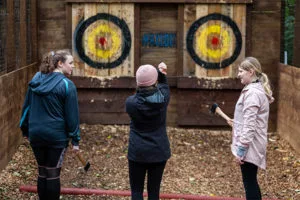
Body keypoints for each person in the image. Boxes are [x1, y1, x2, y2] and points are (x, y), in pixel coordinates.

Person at [19, 50, 80, 200]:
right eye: (70, 63)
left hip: (36, 134)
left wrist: (25, 130)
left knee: (42, 171)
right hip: (56, 136)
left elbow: (26, 107)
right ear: (60, 63)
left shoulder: (36, 80)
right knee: (52, 173)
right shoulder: (67, 84)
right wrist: (75, 140)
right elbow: (72, 116)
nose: (73, 67)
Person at [228, 57, 274, 200]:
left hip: (250, 146)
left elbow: (249, 126)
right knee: (251, 181)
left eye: (241, 71)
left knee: (249, 182)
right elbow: (249, 119)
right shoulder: (256, 90)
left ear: (251, 72)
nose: (239, 74)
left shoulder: (253, 93)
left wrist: (241, 151)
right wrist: (236, 122)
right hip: (253, 143)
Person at [125, 62, 171, 200]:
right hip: (158, 150)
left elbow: (141, 94)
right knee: (154, 192)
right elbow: (164, 86)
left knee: (137, 191)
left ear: (138, 82)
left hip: (137, 151)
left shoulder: (130, 103)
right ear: (155, 81)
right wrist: (161, 73)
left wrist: (158, 75)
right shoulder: (163, 98)